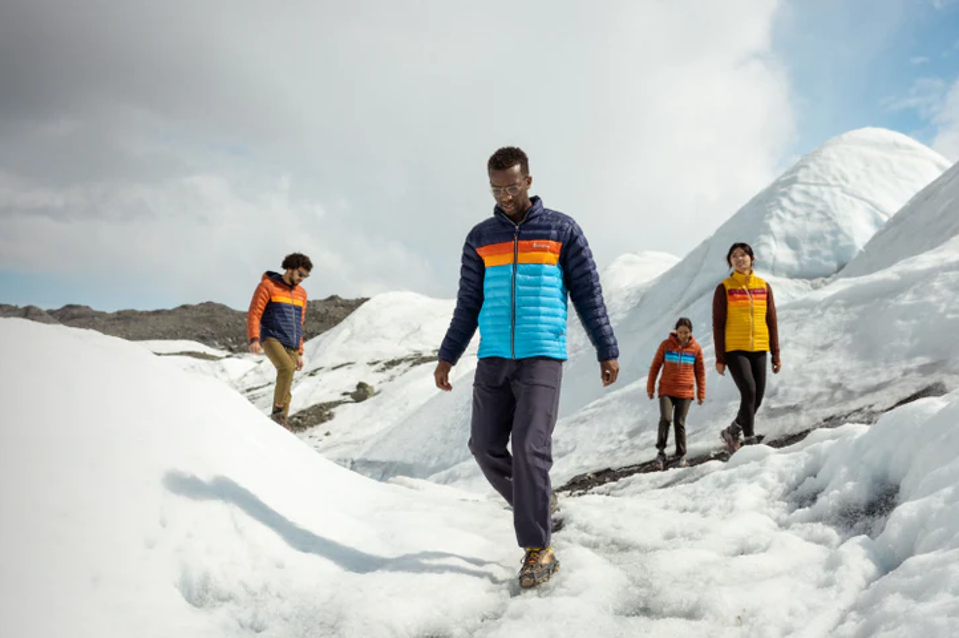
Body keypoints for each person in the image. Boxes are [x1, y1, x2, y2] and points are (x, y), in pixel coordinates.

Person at [433, 146, 619, 589]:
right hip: (494, 356)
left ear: (529, 181)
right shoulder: (480, 237)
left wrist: (605, 347)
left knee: (530, 448)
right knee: (483, 445)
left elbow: (588, 295)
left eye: (512, 187)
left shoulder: (562, 230)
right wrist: (447, 355)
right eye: (496, 189)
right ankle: (538, 499)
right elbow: (468, 304)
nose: (504, 196)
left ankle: (539, 549)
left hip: (541, 355)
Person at [712, 242, 781, 453]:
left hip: (760, 347)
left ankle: (732, 430)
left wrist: (775, 354)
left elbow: (771, 320)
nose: (739, 259)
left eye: (743, 255)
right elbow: (718, 324)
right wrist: (720, 358)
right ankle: (750, 441)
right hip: (735, 349)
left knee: (757, 397)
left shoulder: (763, 286)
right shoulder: (724, 288)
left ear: (752, 259)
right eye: (734, 256)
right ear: (730, 262)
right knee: (749, 391)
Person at [247, 253, 312, 430]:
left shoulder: (301, 294)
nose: (302, 279)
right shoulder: (267, 286)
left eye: (305, 276)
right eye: (300, 274)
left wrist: (299, 351)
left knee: (288, 383)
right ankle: (277, 413)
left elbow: (300, 323)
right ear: (289, 268)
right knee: (286, 368)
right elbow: (254, 313)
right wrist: (254, 338)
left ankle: (280, 427)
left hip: (291, 343)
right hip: (271, 337)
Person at [646, 317, 705, 470]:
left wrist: (701, 393)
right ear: (676, 332)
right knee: (665, 418)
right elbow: (655, 367)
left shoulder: (696, 348)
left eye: (686, 332)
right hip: (666, 390)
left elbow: (700, 372)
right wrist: (650, 387)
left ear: (690, 332)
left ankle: (681, 455)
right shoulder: (666, 346)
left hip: (686, 392)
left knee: (680, 422)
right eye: (680, 332)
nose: (683, 335)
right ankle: (661, 451)